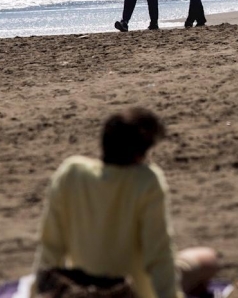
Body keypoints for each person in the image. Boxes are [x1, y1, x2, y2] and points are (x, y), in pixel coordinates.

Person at [32, 108, 219, 298]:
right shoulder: (146, 181)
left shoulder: (71, 172)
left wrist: (36, 293)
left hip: (83, 290)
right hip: (134, 293)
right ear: (140, 154)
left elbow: (50, 247)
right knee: (208, 258)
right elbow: (158, 255)